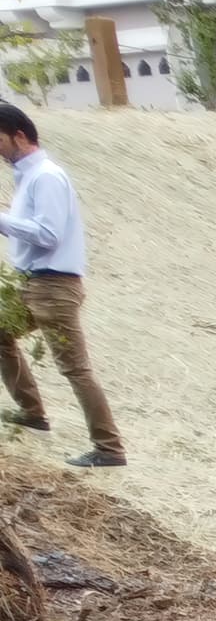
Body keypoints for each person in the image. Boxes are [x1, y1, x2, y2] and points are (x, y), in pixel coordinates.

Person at [0, 102, 122, 469]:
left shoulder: (47, 176)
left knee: (75, 368)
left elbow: (48, 234)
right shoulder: (28, 177)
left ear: (19, 136)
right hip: (31, 283)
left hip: (53, 287)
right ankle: (32, 412)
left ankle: (110, 448)